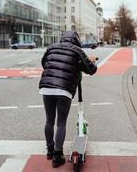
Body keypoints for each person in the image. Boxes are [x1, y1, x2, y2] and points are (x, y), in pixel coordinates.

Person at [39, 30, 98, 168]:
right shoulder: (77, 51)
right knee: (61, 123)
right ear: (76, 40)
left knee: (49, 120)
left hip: (46, 87)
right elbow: (91, 70)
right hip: (64, 89)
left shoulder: (51, 47)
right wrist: (92, 61)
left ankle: (50, 151)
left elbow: (44, 63)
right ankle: (57, 156)